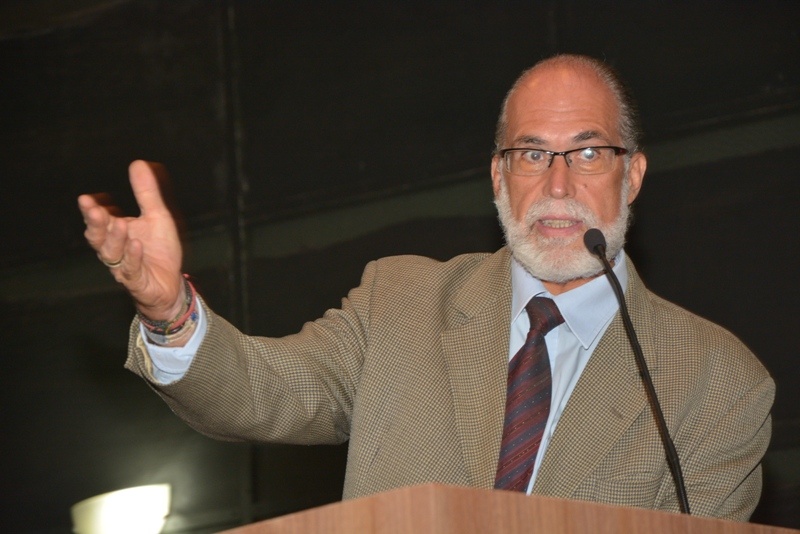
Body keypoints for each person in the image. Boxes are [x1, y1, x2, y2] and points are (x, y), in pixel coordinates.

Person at [78, 54, 774, 521]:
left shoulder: (718, 384)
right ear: (499, 177)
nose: (557, 185)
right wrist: (170, 311)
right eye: (531, 154)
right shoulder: (400, 301)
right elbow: (267, 390)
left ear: (634, 175)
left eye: (589, 153)